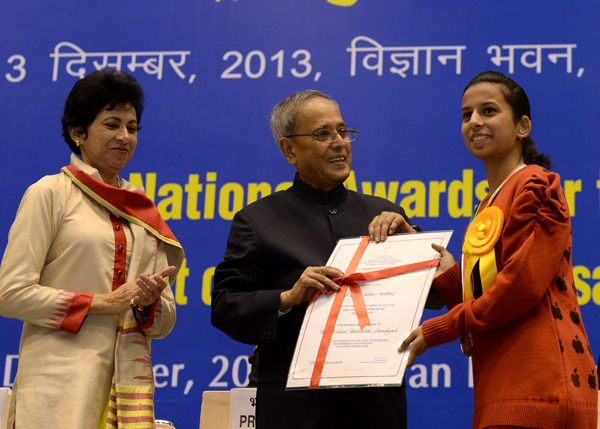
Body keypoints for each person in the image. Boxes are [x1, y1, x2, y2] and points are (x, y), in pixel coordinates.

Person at [372, 70, 598, 428]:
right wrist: (429, 256)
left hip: (542, 387)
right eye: (466, 115)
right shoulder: (489, 202)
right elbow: (483, 300)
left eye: (488, 110)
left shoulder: (535, 185)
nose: (474, 121)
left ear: (523, 126)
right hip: (503, 382)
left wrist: (439, 329)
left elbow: (519, 288)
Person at [211, 90, 443, 429]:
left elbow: (436, 296)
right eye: (323, 134)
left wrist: (412, 242)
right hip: (296, 409)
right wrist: (287, 298)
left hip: (376, 407)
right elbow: (225, 306)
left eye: (343, 131)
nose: (339, 142)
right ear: (289, 149)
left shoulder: (388, 216)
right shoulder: (258, 221)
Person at [0, 69, 184, 428]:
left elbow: (165, 320)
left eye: (132, 127)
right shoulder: (50, 193)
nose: (124, 137)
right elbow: (10, 294)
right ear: (77, 132)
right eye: (112, 124)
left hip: (123, 385)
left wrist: (147, 307)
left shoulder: (141, 212)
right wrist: (104, 303)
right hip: (55, 386)